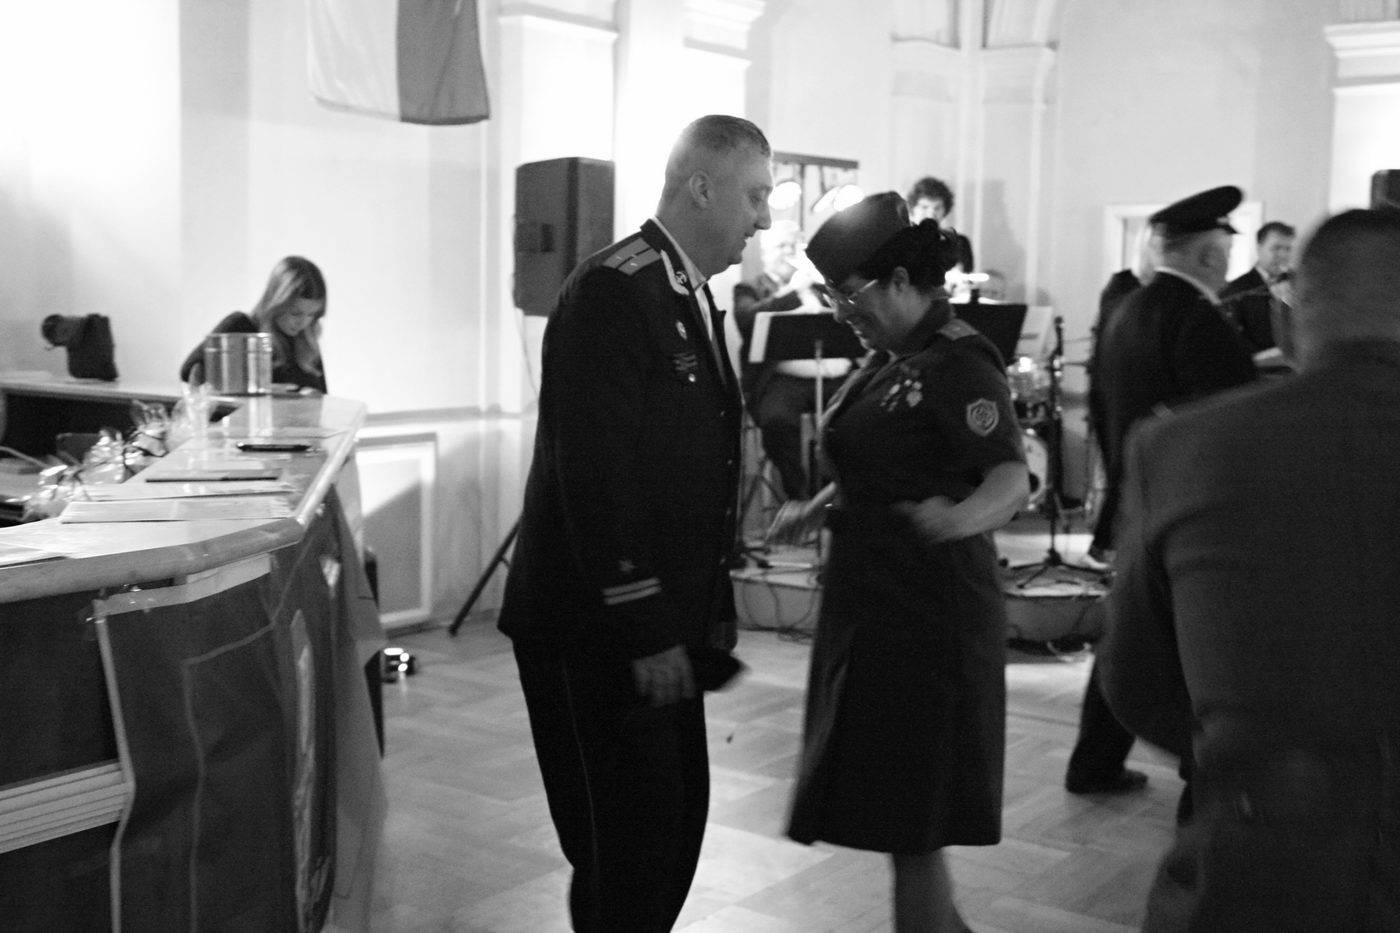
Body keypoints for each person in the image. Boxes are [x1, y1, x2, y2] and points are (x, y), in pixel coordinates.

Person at [496, 114, 770, 932]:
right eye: (755, 197)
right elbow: (594, 477)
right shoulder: (614, 291)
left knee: (668, 837)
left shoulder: (686, 293)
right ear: (702, 187)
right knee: (624, 850)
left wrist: (699, 616)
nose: (762, 219)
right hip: (596, 630)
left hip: (661, 629)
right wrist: (646, 623)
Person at [1099, 207, 1400, 931]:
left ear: (1292, 321)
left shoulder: (1182, 447)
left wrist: (1252, 754)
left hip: (1251, 866)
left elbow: (1132, 678)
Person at [774, 192, 1029, 932]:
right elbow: (886, 459)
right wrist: (822, 504)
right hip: (874, 608)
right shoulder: (893, 356)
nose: (841, 313)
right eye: (832, 297)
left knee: (912, 822)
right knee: (899, 818)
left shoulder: (959, 361)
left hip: (929, 618)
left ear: (899, 281)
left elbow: (1010, 480)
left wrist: (955, 519)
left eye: (849, 296)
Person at [1065, 185, 1258, 809]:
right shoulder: (1201, 320)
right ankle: (1202, 786)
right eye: (1224, 252)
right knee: (1202, 644)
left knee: (1131, 635)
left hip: (1133, 498)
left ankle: (1095, 761)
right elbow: (1228, 426)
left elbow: (1103, 410)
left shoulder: (1128, 310)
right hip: (1189, 511)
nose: (1227, 265)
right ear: (1208, 256)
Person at [732, 220, 852, 500]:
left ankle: (834, 492)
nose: (788, 252)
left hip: (834, 375)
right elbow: (747, 322)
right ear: (766, 253)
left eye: (793, 246)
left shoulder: (817, 283)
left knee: (858, 415)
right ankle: (801, 496)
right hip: (783, 380)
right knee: (777, 421)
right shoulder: (750, 288)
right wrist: (791, 291)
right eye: (781, 246)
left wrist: (821, 285)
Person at [1086, 223, 1161, 563]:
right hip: (1113, 393)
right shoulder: (1123, 286)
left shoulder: (1153, 290)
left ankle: (1114, 550)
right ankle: (1106, 550)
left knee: (1128, 475)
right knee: (1121, 472)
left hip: (1133, 393)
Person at [179, 255, 329, 393]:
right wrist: (262, 389)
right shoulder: (240, 326)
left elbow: (323, 396)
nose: (303, 322)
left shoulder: (307, 341)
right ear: (275, 304)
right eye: (295, 313)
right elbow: (189, 371)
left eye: (312, 315)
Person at [1218, 220, 1295, 354]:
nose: (1283, 255)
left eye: (1288, 249)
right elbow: (1234, 339)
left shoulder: (1300, 283)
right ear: (1259, 248)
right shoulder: (1235, 289)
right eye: (1276, 248)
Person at [907, 176, 975, 277]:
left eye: (937, 208)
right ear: (913, 209)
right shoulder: (902, 242)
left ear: (945, 210)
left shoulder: (960, 243)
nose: (931, 213)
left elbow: (967, 278)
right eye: (924, 207)